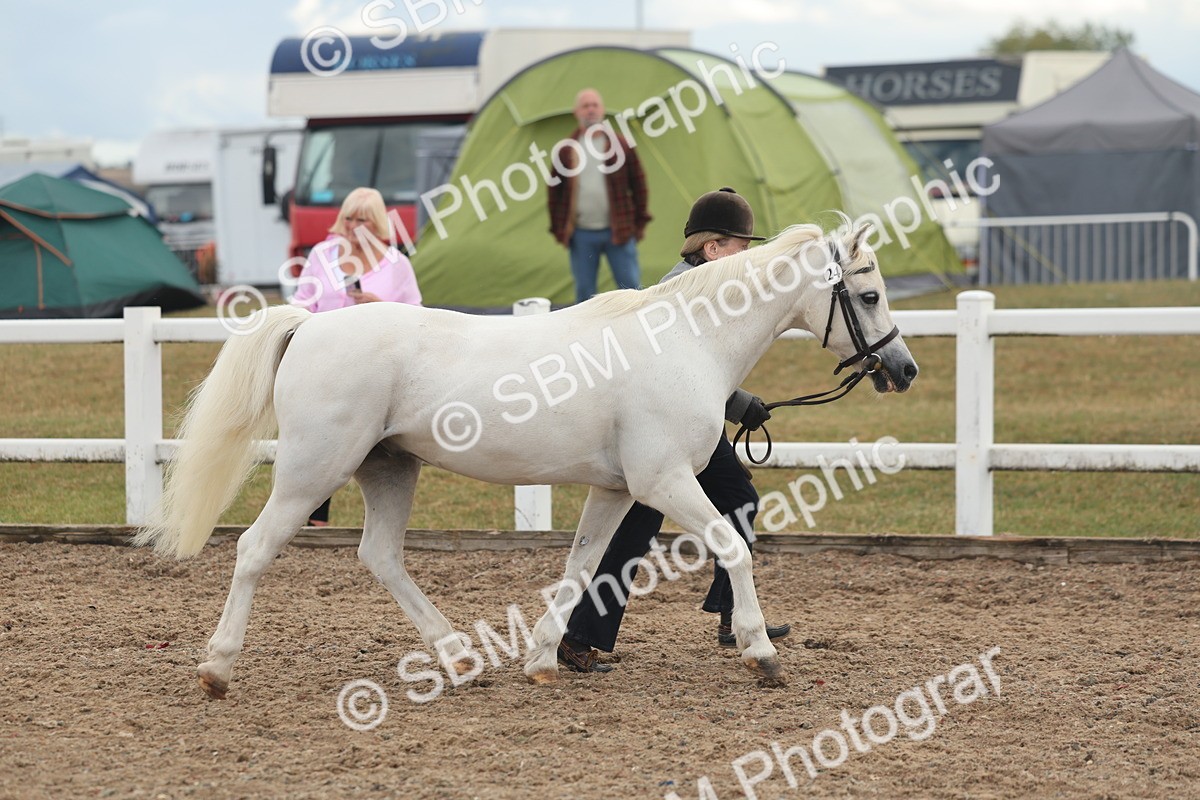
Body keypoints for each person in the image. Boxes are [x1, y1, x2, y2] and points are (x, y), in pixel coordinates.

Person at [558, 188, 792, 674]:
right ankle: (579, 636)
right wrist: (739, 403)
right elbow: (676, 380)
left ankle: (735, 614)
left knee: (739, 498)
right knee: (636, 529)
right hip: (662, 436)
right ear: (713, 249)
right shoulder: (679, 296)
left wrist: (736, 402)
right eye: (740, 247)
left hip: (689, 430)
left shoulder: (710, 292)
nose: (746, 258)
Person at [290, 187, 423, 525]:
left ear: (377, 223)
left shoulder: (397, 264)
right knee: (319, 440)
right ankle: (313, 520)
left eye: (361, 219)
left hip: (380, 371)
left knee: (376, 450)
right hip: (327, 364)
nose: (351, 226)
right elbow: (302, 301)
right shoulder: (322, 254)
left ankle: (380, 525)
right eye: (348, 217)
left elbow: (419, 318)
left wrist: (381, 306)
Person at [548, 88, 651, 304]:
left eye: (595, 105)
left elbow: (639, 184)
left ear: (602, 110)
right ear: (576, 112)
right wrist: (560, 229)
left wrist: (639, 224)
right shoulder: (566, 150)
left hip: (619, 231)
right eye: (585, 106)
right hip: (581, 234)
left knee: (630, 289)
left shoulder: (621, 145)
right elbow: (554, 192)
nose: (591, 110)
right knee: (585, 294)